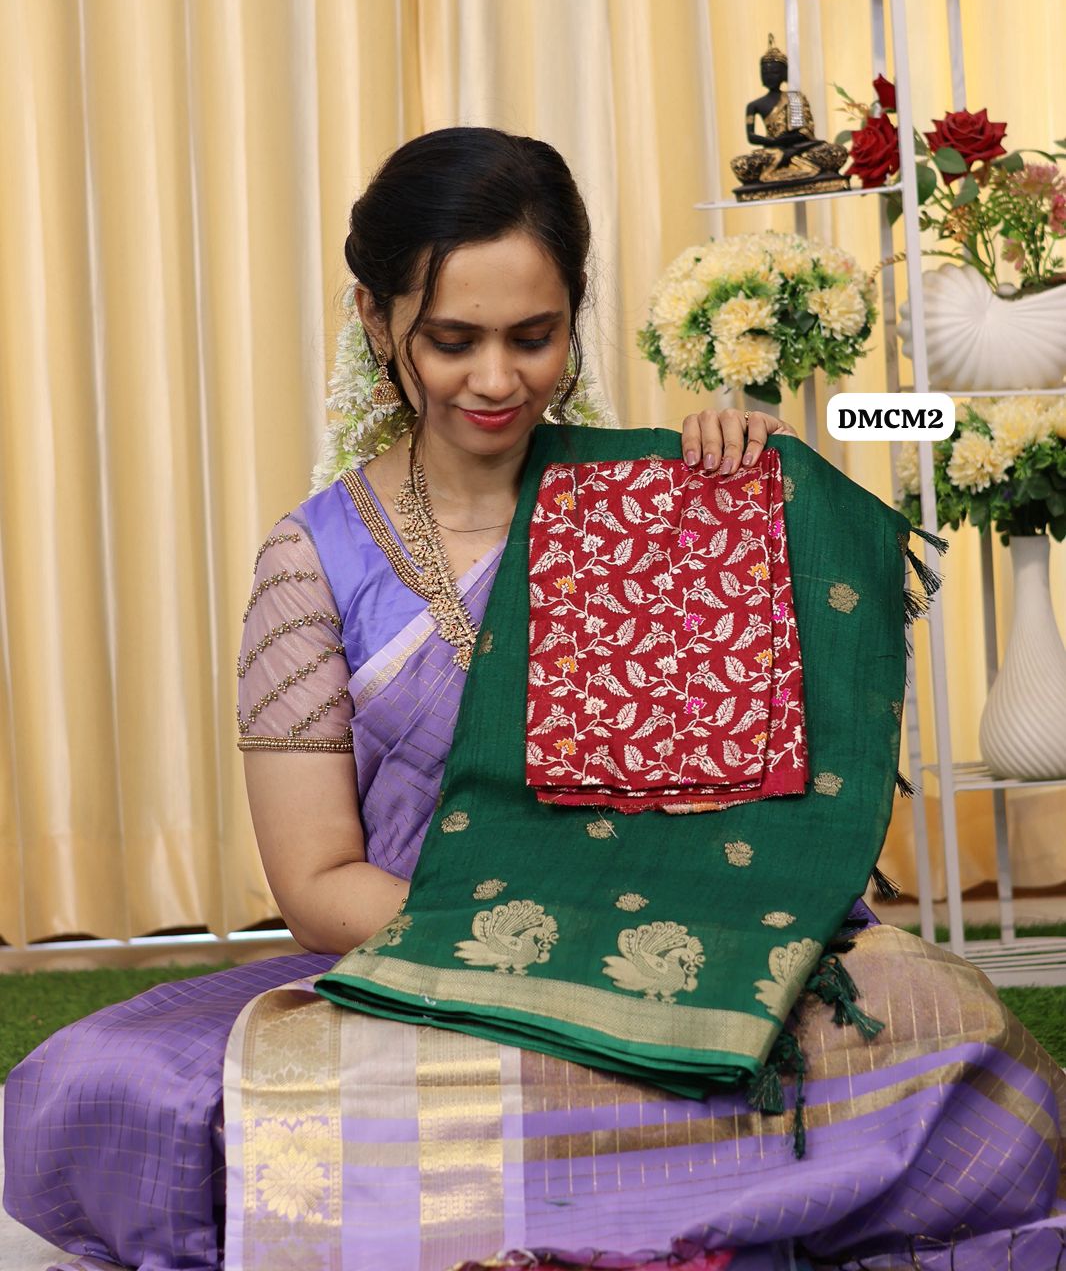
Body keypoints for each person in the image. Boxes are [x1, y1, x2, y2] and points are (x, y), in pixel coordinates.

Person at [4, 128, 1065, 1271]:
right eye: (452, 340)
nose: (497, 379)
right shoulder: (311, 562)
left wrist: (752, 510)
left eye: (533, 335)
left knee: (950, 1024)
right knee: (121, 1082)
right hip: (428, 963)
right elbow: (315, 888)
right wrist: (553, 957)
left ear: (574, 314)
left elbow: (753, 791)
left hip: (687, 951)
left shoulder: (655, 498)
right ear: (376, 321)